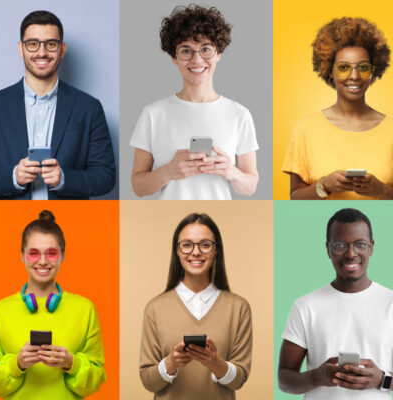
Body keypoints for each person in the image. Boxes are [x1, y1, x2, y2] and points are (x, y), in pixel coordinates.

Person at [130, 5, 258, 200]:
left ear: (218, 54)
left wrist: (230, 172)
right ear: (174, 58)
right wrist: (167, 172)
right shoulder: (153, 114)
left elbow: (250, 187)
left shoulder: (239, 114)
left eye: (206, 49)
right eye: (186, 50)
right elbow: (138, 187)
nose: (197, 60)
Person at [0, 10, 116, 200]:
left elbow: (106, 177)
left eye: (50, 44)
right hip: (8, 222)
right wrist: (13, 177)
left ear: (62, 49)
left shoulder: (89, 108)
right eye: (33, 44)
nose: (41, 52)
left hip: (69, 222)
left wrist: (65, 179)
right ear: (21, 48)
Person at [278, 208, 393, 399]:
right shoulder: (305, 306)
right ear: (328, 249)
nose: (351, 254)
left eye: (360, 245)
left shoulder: (390, 303)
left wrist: (382, 379)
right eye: (340, 245)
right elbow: (284, 380)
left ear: (371, 247)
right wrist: (317, 377)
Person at [0, 210, 106, 399]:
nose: (43, 261)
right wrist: (17, 364)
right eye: (34, 253)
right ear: (22, 255)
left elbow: (97, 380)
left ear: (62, 256)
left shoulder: (85, 309)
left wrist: (72, 363)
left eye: (51, 253)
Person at [140, 213, 252, 399]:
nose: (196, 252)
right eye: (187, 245)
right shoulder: (155, 308)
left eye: (205, 245)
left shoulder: (238, 308)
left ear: (216, 251)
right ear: (177, 251)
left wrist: (215, 363)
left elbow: (239, 380)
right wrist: (171, 363)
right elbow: (147, 381)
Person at [282, 17, 393, 200]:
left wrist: (382, 190)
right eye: (343, 67)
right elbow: (295, 197)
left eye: (363, 67)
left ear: (373, 72)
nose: (354, 76)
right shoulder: (307, 128)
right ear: (330, 71)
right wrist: (324, 185)